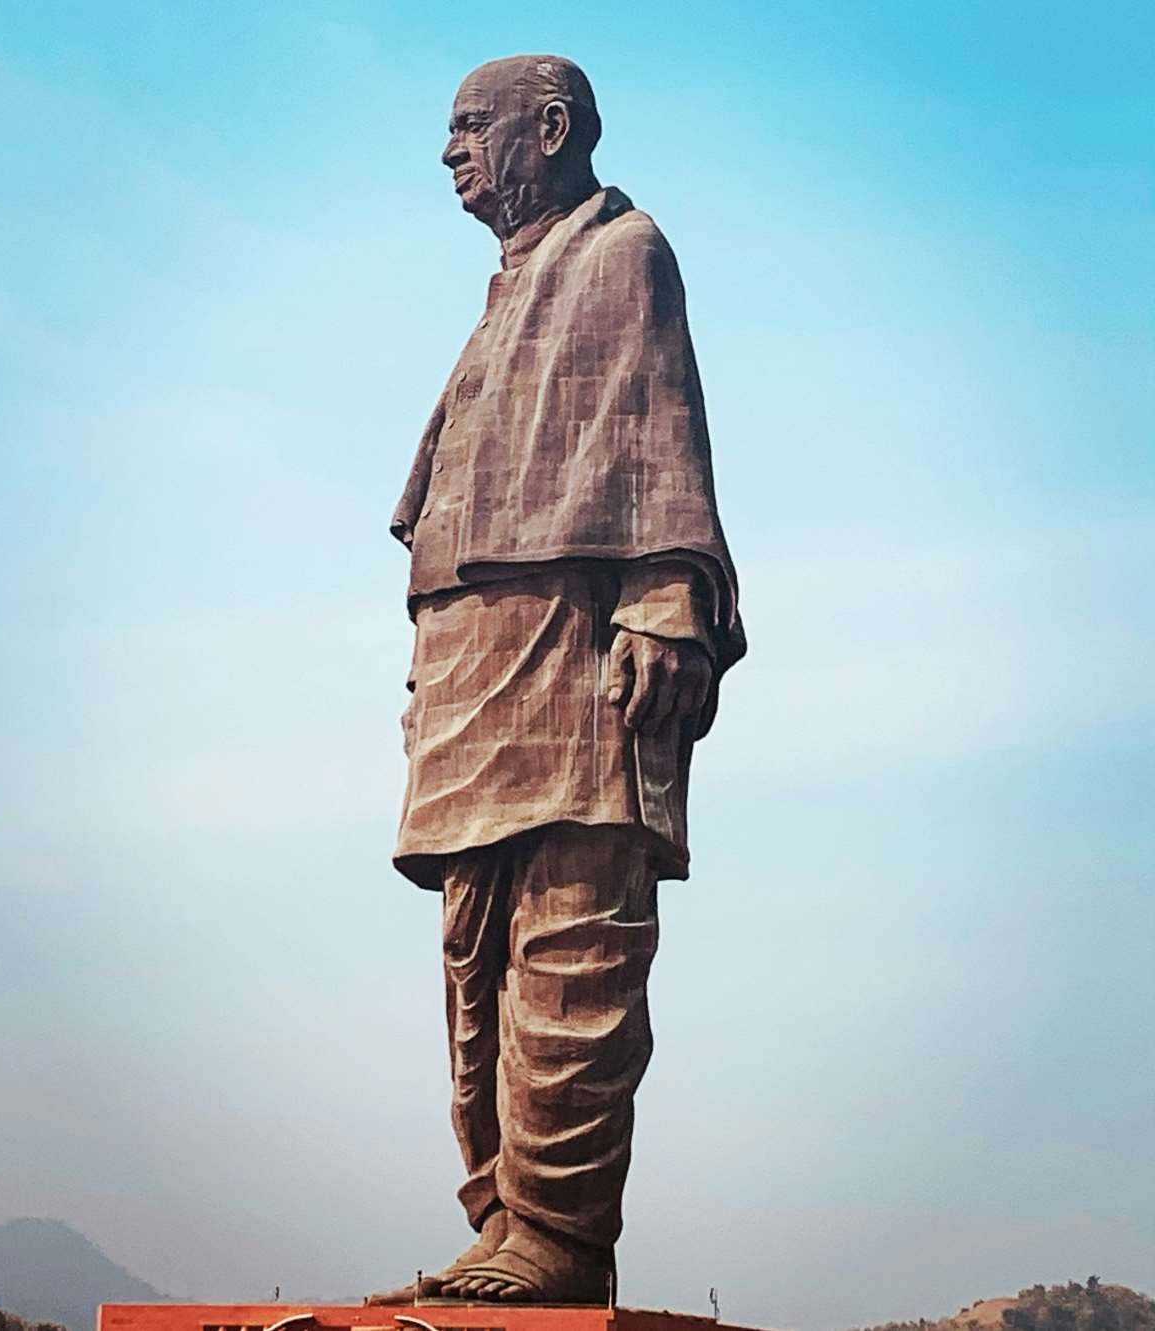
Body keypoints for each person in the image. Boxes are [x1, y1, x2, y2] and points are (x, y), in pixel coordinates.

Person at [369, 54, 744, 1306]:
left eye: (472, 126)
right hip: (476, 660)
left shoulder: (622, 252)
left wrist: (665, 596)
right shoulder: (507, 287)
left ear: (552, 127)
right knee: (476, 944)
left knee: (575, 939)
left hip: (579, 648)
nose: (451, 150)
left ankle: (561, 1234)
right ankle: (502, 1216)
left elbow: (659, 432)